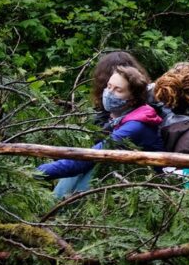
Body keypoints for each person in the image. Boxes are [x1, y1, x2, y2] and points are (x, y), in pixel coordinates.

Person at [36, 65, 164, 189]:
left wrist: (37, 173)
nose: (109, 93)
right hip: (124, 175)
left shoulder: (136, 126)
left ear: (133, 99)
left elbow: (91, 157)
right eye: (109, 86)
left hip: (144, 182)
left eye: (118, 90)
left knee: (90, 170)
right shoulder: (119, 116)